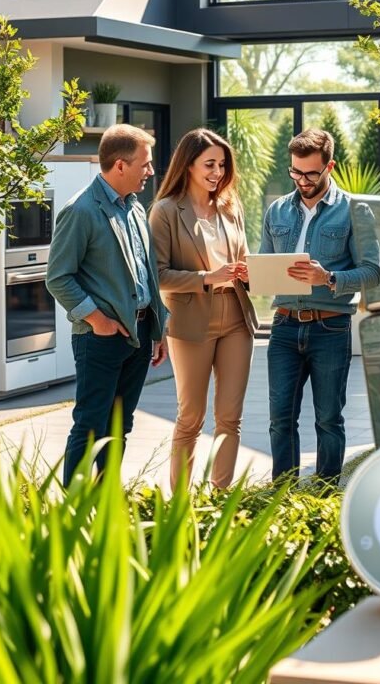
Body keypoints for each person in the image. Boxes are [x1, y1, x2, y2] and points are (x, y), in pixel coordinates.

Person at [46, 124, 169, 485]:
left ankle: (106, 504)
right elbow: (58, 277)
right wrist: (97, 319)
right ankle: (76, 513)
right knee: (90, 425)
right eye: (144, 164)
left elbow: (146, 274)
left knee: (120, 426)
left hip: (139, 334)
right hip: (100, 338)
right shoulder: (81, 210)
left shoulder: (134, 209)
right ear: (119, 165)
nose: (150, 171)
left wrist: (157, 329)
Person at [260, 128, 380, 483]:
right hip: (283, 326)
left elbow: (372, 273)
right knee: (280, 417)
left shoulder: (356, 211)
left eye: (311, 173)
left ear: (330, 166)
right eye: (295, 172)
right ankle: (282, 494)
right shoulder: (277, 210)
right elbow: (265, 263)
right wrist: (251, 275)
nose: (302, 180)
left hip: (330, 327)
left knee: (328, 417)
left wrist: (327, 277)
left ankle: (326, 492)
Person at [149, 128, 258, 490]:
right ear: (189, 165)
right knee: (190, 418)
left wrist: (247, 270)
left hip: (236, 319)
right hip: (191, 322)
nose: (217, 171)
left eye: (222, 164)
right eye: (209, 164)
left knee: (230, 417)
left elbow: (241, 259)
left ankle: (220, 497)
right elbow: (159, 275)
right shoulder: (165, 211)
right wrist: (208, 277)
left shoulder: (231, 206)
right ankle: (181, 503)